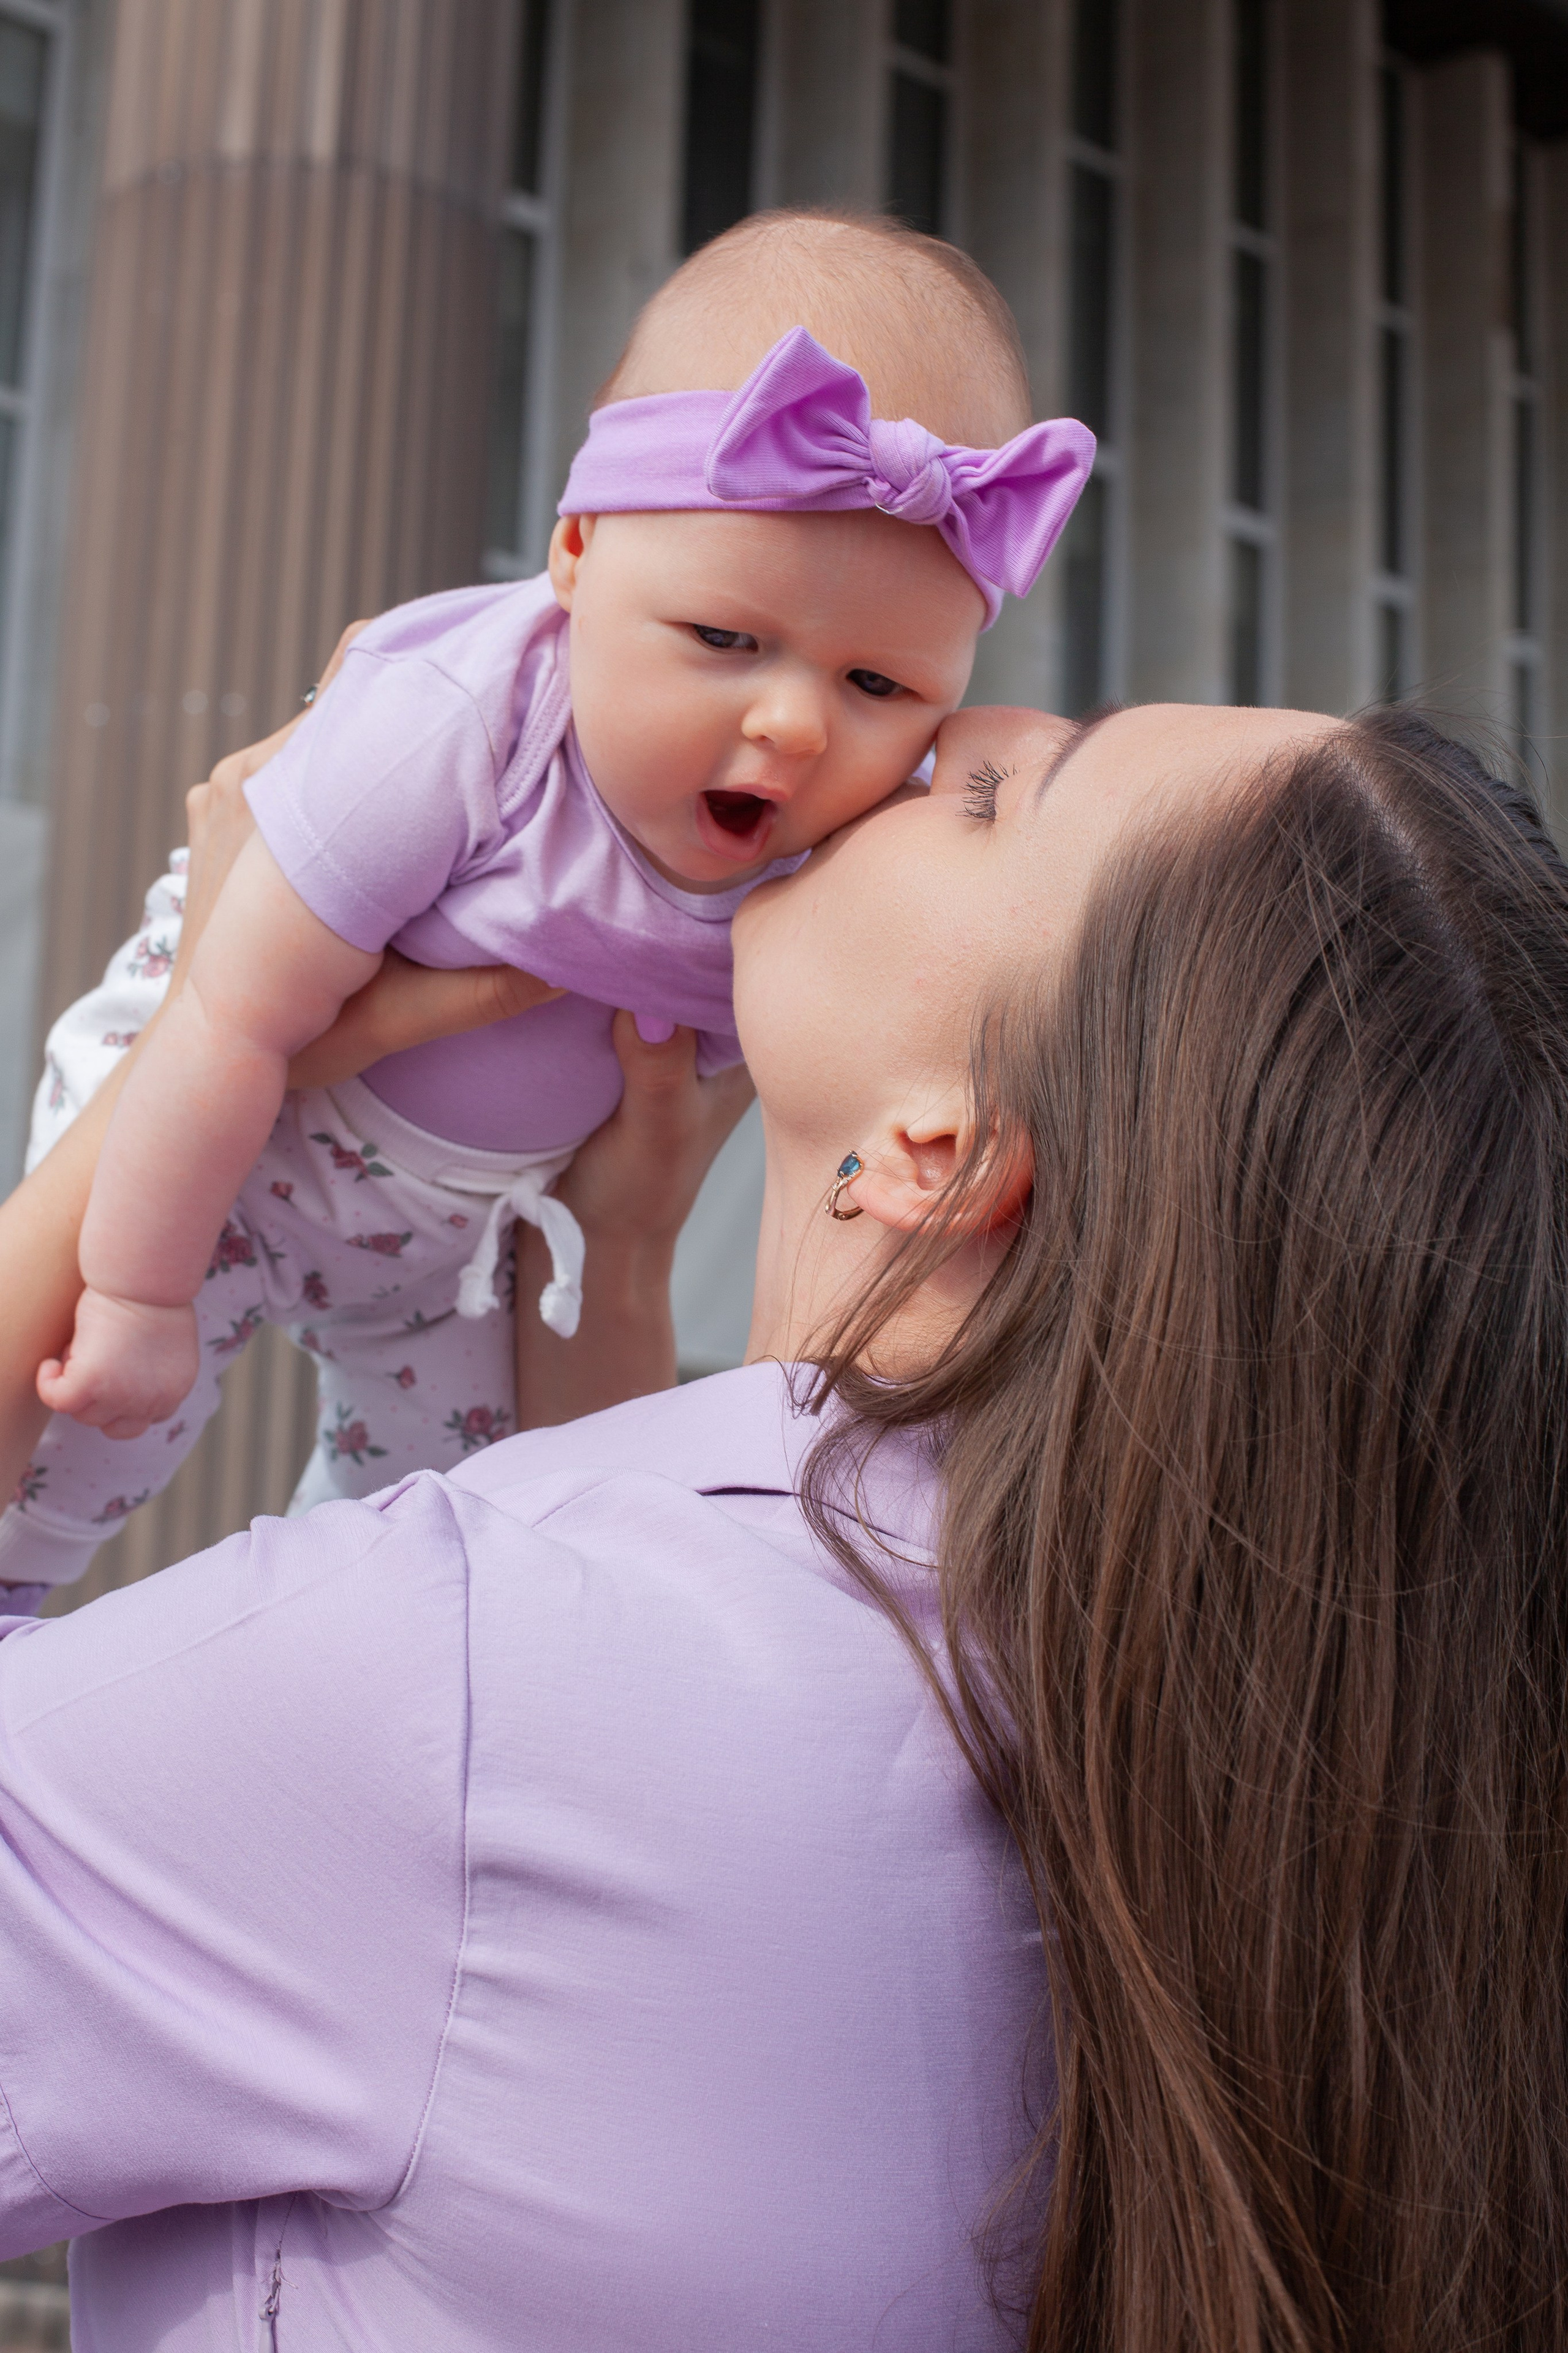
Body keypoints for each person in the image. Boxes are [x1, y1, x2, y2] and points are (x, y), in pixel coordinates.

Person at [0, 690, 1565, 2353]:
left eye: (989, 794)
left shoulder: (470, 1679)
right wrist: (607, 1257)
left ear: (940, 1155)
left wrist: (204, 1034)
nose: (929, 722)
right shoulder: (1334, 1828)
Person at [3, 208, 1092, 1589]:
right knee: (80, 1428)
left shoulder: (833, 863)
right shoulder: (461, 721)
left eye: (875, 686)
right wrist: (141, 1292)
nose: (795, 726)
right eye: (723, 638)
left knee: (456, 1548)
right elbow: (224, 1018)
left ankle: (335, 1657)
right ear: (575, 558)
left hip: (471, 1244)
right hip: (222, 1132)